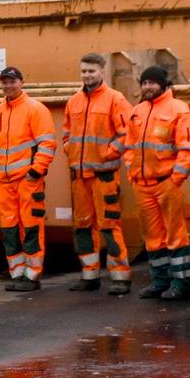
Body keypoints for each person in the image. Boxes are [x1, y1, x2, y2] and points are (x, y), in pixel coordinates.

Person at [124, 64, 190, 301]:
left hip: (167, 183)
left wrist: (175, 179)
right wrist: (133, 174)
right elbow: (129, 147)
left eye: (152, 83)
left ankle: (182, 284)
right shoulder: (137, 112)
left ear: (163, 84)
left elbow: (188, 149)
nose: (147, 87)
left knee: (175, 234)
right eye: (144, 83)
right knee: (152, 236)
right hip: (142, 185)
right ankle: (160, 282)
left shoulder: (179, 110)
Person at [0, 67, 58, 291]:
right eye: (4, 82)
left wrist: (35, 172)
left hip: (27, 181)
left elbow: (47, 144)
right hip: (3, 183)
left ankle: (32, 275)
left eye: (12, 81)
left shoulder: (36, 110)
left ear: (22, 82)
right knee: (9, 228)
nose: (8, 86)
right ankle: (17, 273)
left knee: (31, 227)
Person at [63, 52, 133, 294]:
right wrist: (69, 150)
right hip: (80, 176)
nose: (87, 75)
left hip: (104, 176)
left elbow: (128, 134)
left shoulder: (116, 100)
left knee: (108, 225)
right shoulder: (74, 101)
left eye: (91, 71)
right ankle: (89, 275)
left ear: (102, 71)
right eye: (83, 71)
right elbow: (66, 133)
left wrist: (107, 154)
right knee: (82, 226)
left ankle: (120, 277)